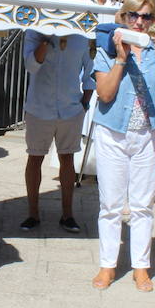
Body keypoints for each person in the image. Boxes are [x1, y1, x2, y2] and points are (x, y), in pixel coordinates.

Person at [91, 0, 155, 292]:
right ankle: (108, 265)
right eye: (134, 15)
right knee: (111, 204)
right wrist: (121, 58)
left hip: (149, 133)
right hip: (113, 133)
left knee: (143, 204)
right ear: (124, 17)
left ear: (154, 21)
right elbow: (104, 94)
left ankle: (141, 267)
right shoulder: (106, 48)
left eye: (146, 17)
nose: (139, 22)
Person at [20, 29, 94, 233]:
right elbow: (31, 66)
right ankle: (33, 213)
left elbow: (90, 71)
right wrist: (45, 41)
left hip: (70, 108)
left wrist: (85, 103)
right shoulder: (33, 33)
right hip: (39, 107)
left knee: (67, 159)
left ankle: (68, 215)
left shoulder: (81, 35)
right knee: (35, 158)